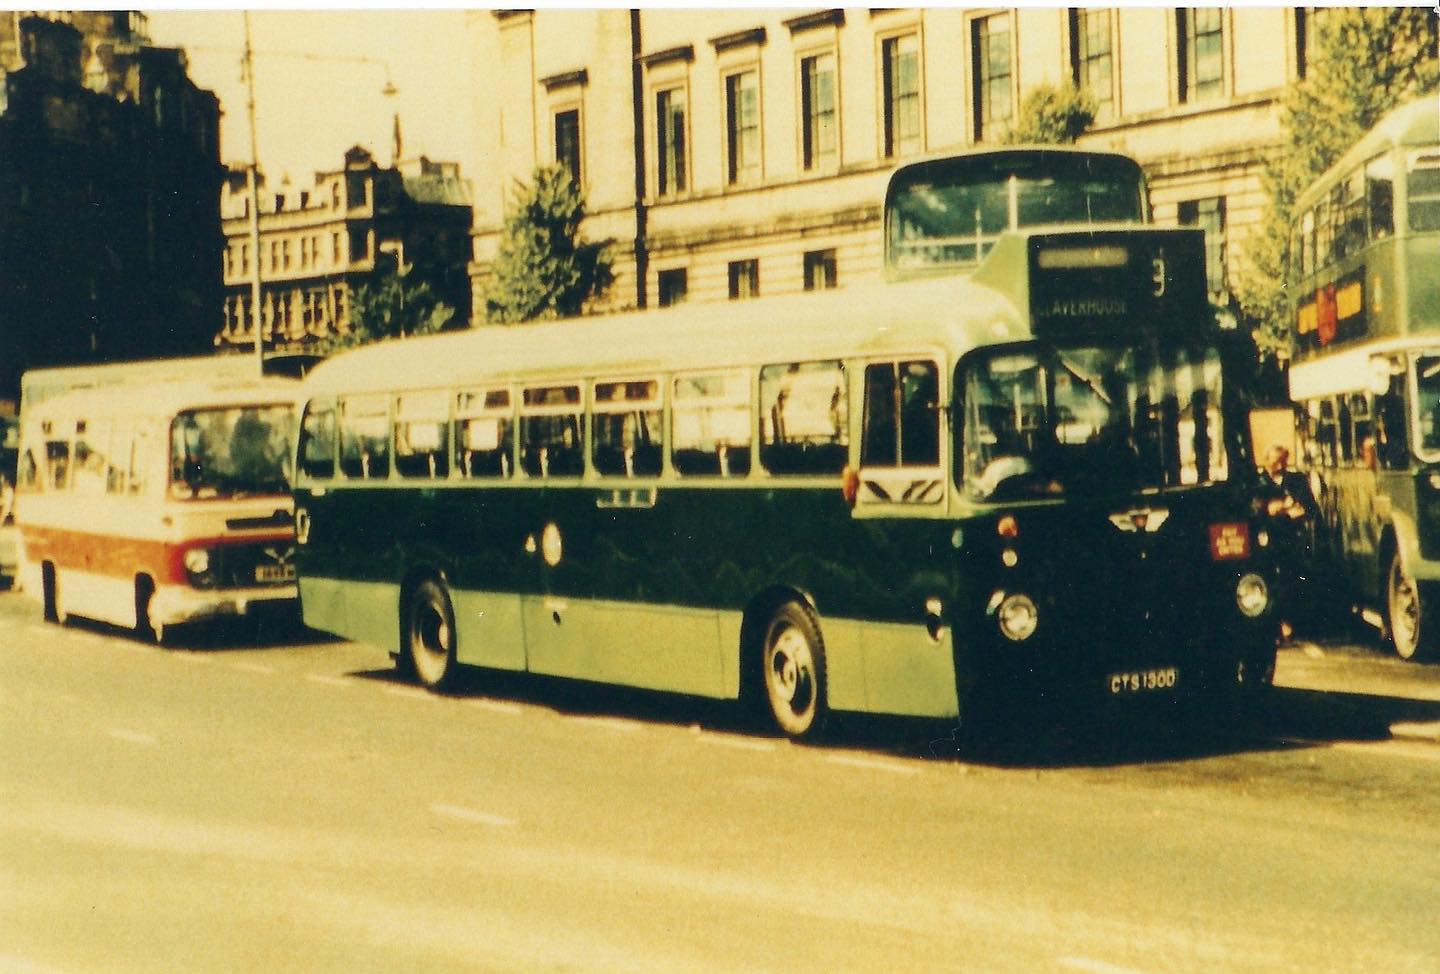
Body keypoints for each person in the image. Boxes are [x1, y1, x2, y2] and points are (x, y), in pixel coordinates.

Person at [1258, 445, 1319, 641]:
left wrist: (1279, 509)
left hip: (1290, 539)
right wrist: (1285, 507)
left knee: (1290, 579)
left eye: (1282, 460)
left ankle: (1288, 622)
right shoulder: (1259, 482)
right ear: (1266, 460)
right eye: (1275, 460)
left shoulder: (1297, 480)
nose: (1279, 464)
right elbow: (1258, 509)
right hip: (1264, 539)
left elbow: (1306, 509)